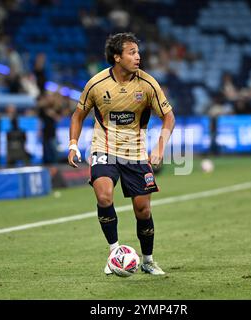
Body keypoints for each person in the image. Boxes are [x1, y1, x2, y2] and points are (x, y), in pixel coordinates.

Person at [67, 33, 175, 275]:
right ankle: (114, 253)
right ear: (117, 57)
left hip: (136, 152)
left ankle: (147, 260)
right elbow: (77, 115)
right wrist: (73, 144)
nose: (138, 57)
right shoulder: (96, 84)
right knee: (104, 197)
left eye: (138, 52)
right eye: (132, 52)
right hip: (103, 148)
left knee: (143, 210)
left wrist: (159, 147)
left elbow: (169, 116)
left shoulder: (148, 84)